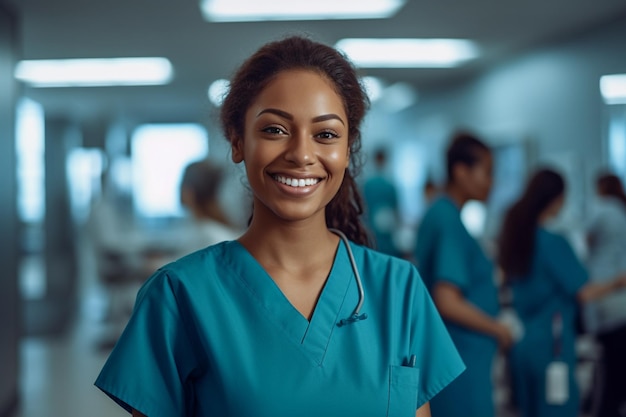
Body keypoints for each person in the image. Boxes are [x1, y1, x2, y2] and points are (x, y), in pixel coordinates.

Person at [94, 35, 465, 417]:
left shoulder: (398, 289)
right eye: (274, 129)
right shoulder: (179, 295)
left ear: (347, 148)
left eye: (325, 135)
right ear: (237, 141)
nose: (302, 154)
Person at [497, 168, 626, 417]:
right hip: (551, 348)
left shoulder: (517, 237)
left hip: (522, 345)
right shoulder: (553, 242)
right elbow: (584, 292)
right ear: (556, 199)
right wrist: (619, 282)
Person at [413, 131, 513, 417]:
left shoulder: (443, 215)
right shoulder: (447, 221)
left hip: (461, 358)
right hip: (460, 359)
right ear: (460, 171)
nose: (492, 182)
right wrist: (499, 329)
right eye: (488, 172)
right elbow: (447, 300)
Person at [584, 172, 626, 417]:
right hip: (622, 300)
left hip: (608, 300)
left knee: (609, 378)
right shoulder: (622, 211)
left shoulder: (602, 210)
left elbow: (586, 240)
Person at [362, 147, 401, 257]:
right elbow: (396, 213)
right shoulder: (389, 186)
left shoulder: (369, 185)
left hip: (374, 240)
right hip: (383, 240)